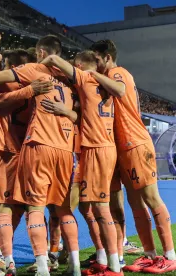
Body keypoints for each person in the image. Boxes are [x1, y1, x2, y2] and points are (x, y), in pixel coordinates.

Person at [0, 34, 80, 276]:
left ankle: (38, 267)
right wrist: (70, 114)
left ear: (40, 53)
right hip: (67, 148)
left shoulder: (33, 70)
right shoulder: (69, 79)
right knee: (61, 209)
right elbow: (82, 114)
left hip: (34, 146)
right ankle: (71, 264)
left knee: (29, 208)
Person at [88, 40, 176, 274]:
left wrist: (91, 73)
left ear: (107, 57)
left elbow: (119, 90)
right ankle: (150, 255)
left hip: (136, 143)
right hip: (123, 147)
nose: (95, 66)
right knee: (136, 204)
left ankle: (170, 255)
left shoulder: (118, 73)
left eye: (97, 60)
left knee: (151, 198)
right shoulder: (109, 76)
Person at [0, 33, 54, 276]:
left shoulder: (24, 84)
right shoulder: (27, 85)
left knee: (24, 206)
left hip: (21, 150)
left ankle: (10, 255)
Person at [40, 51, 121, 275]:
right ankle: (104, 257)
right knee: (88, 208)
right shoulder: (103, 84)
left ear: (78, 65)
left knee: (98, 209)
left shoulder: (86, 77)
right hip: (99, 148)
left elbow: (55, 59)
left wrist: (36, 69)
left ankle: (113, 265)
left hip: (96, 149)